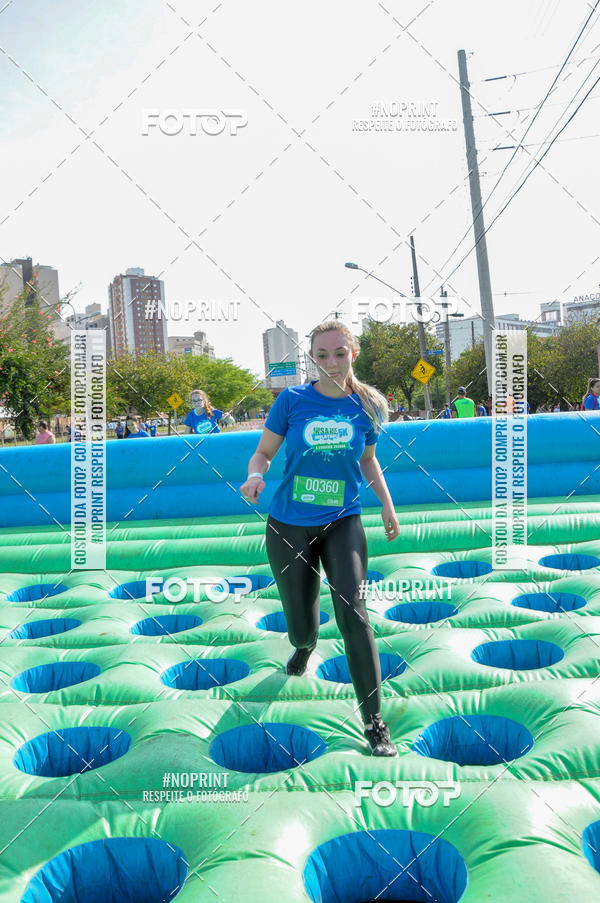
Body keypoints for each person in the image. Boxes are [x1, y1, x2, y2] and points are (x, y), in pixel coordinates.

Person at [239, 320, 401, 757]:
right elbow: (264, 452)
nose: (332, 362)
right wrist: (256, 475)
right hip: (289, 525)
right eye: (323, 355)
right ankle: (303, 648)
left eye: (340, 353)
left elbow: (368, 460)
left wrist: (386, 503)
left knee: (354, 611)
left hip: (342, 521)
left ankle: (374, 722)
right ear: (312, 357)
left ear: (354, 354)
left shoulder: (367, 406)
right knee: (301, 626)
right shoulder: (291, 400)